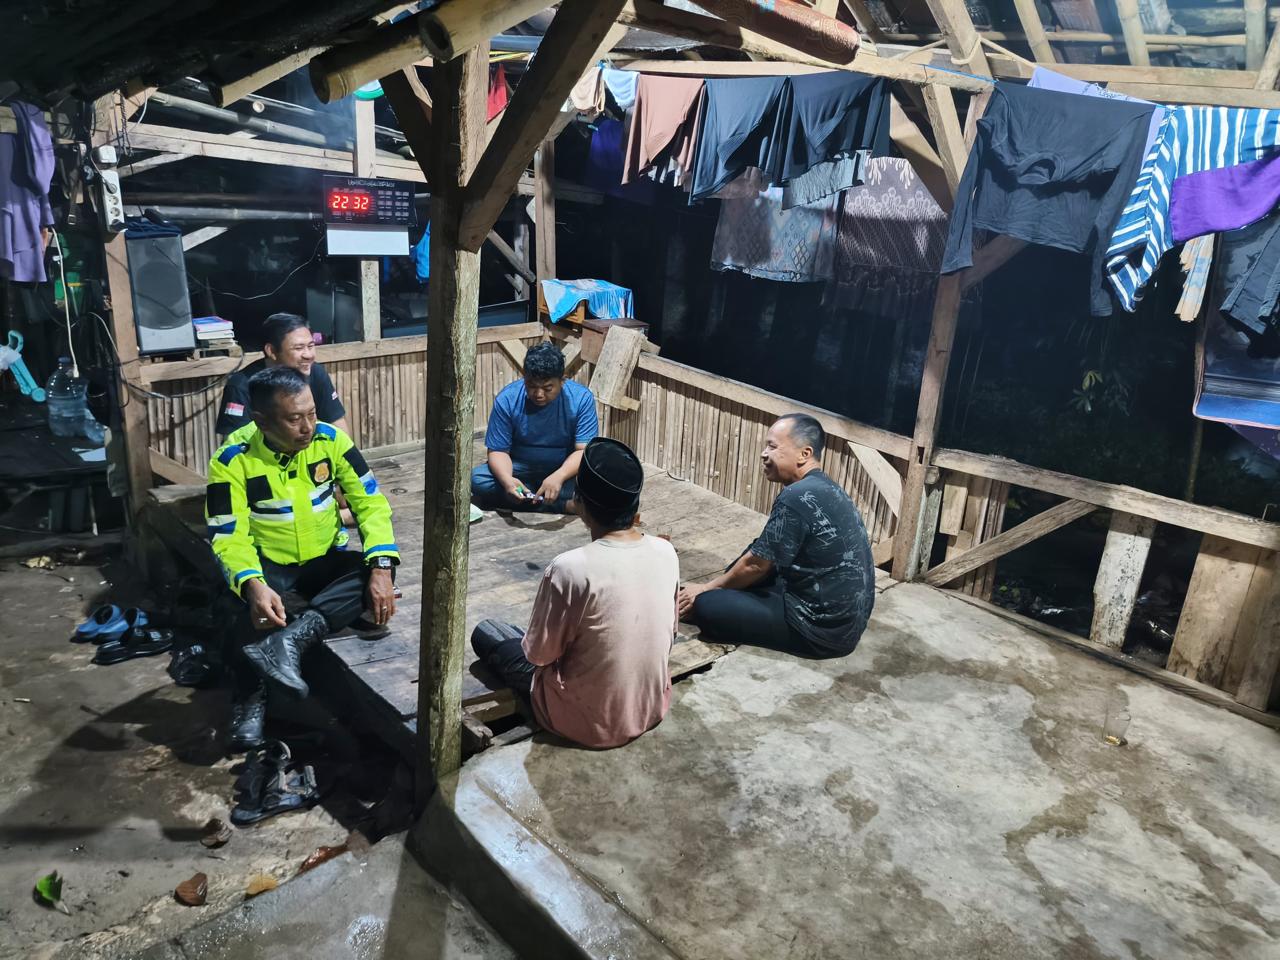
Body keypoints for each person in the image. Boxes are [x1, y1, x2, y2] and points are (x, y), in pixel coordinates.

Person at [205, 366, 399, 750]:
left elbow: (371, 504)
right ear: (261, 420)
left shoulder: (332, 441)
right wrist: (253, 583)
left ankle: (291, 641)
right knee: (240, 602)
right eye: (294, 419)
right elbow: (228, 536)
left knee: (375, 572)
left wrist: (381, 568)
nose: (308, 426)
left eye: (312, 413)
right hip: (270, 566)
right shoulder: (232, 460)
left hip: (323, 558)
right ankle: (251, 698)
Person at [470, 437, 679, 749]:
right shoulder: (666, 550)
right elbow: (670, 632)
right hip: (649, 707)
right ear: (634, 507)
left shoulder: (570, 567)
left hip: (586, 723)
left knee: (488, 632)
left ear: (579, 504)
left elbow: (539, 655)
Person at [678, 414, 875, 658]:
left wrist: (705, 588)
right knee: (755, 552)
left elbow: (756, 565)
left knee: (708, 605)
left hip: (820, 630)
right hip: (846, 622)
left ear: (804, 454)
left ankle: (709, 600)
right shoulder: (827, 487)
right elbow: (762, 554)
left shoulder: (795, 497)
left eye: (772, 446)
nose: (764, 453)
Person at [471, 341, 598, 513]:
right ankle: (562, 505)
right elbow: (498, 451)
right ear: (524, 379)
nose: (538, 394)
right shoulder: (507, 399)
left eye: (547, 388)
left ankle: (526, 500)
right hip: (519, 468)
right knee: (477, 479)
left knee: (599, 485)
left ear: (562, 381)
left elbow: (583, 451)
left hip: (563, 469)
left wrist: (559, 476)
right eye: (531, 386)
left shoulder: (581, 399)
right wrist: (507, 480)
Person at [215, 312, 349, 439]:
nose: (308, 355)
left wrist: (350, 454)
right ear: (271, 351)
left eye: (310, 346)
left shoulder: (316, 372)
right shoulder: (241, 385)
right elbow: (234, 443)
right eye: (298, 348)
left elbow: (337, 424)